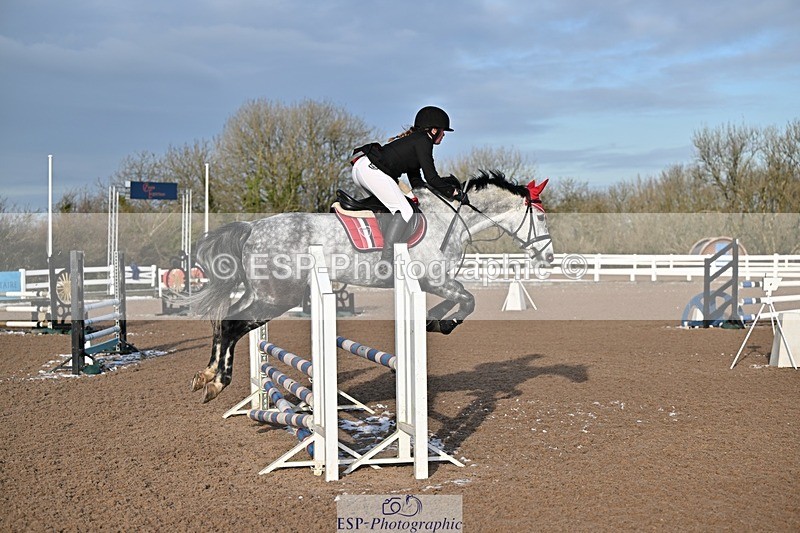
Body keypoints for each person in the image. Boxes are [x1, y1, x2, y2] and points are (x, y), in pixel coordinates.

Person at [351, 105, 467, 272]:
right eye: (443, 131)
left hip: (362, 169)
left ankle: (374, 251)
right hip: (371, 171)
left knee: (387, 210)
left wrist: (431, 195)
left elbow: (417, 180)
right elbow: (432, 178)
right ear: (434, 130)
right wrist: (454, 192)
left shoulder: (416, 140)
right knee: (406, 212)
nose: (444, 135)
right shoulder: (423, 141)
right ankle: (386, 262)